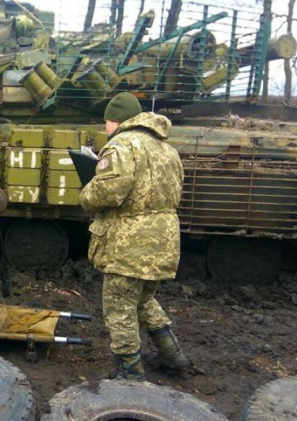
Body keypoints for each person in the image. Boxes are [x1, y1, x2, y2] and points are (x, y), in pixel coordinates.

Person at [79, 92, 189, 381]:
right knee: (143, 300)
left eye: (106, 121)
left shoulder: (120, 146)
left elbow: (107, 193)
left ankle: (130, 374)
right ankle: (173, 356)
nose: (105, 127)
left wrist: (86, 192)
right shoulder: (167, 149)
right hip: (163, 238)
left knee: (119, 308)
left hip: (129, 242)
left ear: (116, 120)